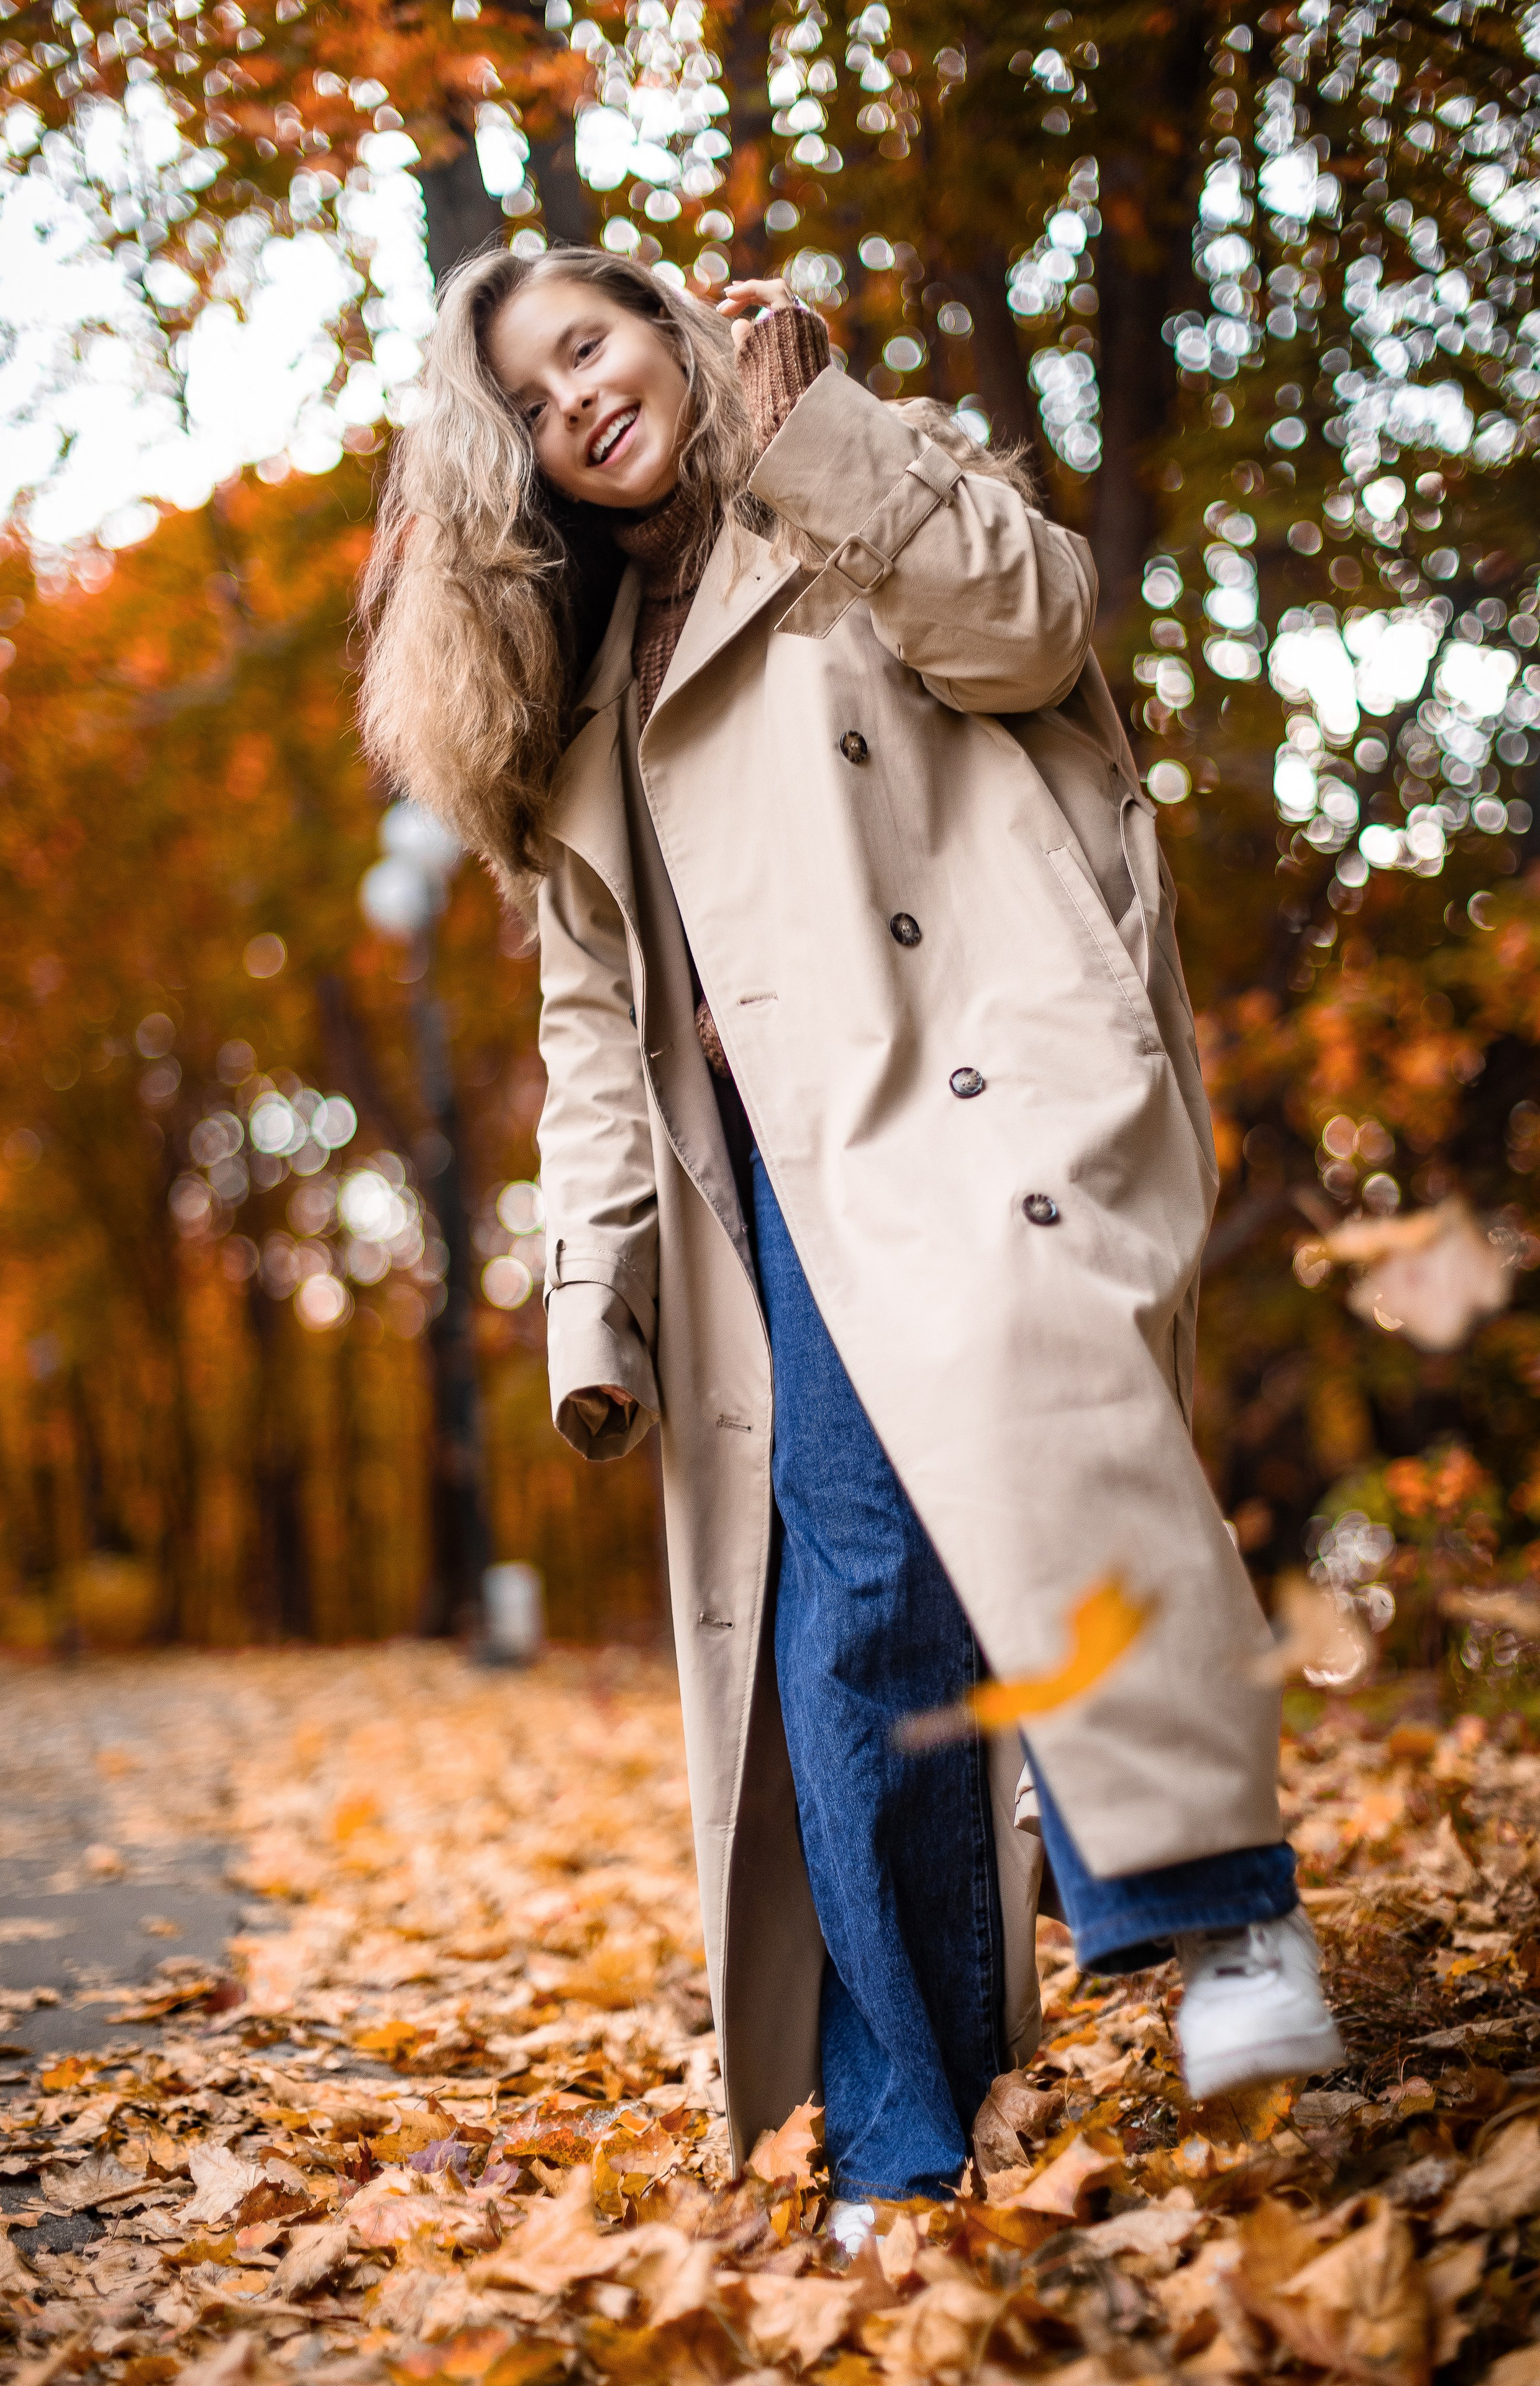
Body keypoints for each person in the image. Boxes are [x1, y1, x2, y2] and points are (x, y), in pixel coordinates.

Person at [359, 245, 1344, 2205]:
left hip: (979, 1081)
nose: (579, 401)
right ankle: (903, 2132)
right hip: (771, 1180)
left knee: (1031, 1416)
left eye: (593, 346)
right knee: (853, 1609)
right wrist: (596, 1293)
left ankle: (1217, 1906)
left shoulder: (855, 479)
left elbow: (1035, 634)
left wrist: (821, 435)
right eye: (535, 404)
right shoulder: (571, 699)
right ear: (519, 472)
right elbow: (587, 1019)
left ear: (671, 329)